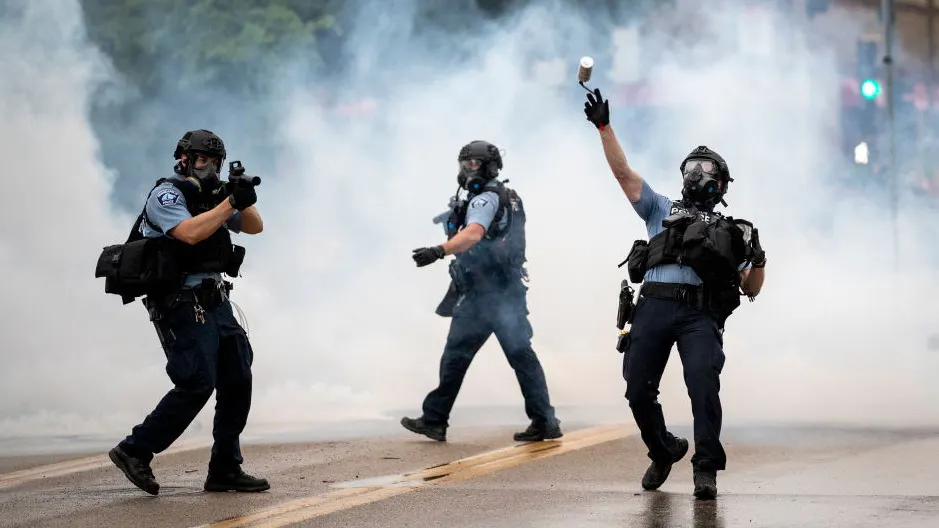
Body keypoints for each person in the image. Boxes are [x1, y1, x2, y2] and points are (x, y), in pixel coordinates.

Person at [582, 89, 766, 500]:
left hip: (699, 315)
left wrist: (759, 256)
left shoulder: (731, 232)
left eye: (705, 168)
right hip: (653, 306)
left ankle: (706, 470)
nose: (695, 173)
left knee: (703, 386)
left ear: (720, 182)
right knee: (636, 389)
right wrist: (604, 127)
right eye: (691, 167)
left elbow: (750, 288)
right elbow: (623, 174)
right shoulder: (659, 208)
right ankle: (664, 449)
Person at [107, 129, 269, 495]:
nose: (206, 166)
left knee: (238, 375)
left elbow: (256, 226)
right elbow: (189, 233)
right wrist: (229, 203)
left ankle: (225, 466)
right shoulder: (168, 193)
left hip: (215, 299)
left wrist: (241, 195)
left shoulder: (212, 195)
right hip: (179, 301)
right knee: (197, 381)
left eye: (213, 161)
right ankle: (135, 450)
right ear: (183, 158)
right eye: (200, 159)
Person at [401, 140, 562, 443]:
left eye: (473, 164)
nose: (466, 170)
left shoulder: (484, 199)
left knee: (457, 356)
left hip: (483, 294)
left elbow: (473, 234)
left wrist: (439, 250)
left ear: (487, 167)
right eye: (465, 164)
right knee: (519, 355)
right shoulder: (508, 196)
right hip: (506, 291)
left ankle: (435, 419)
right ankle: (544, 420)